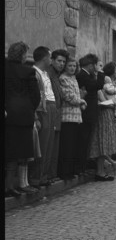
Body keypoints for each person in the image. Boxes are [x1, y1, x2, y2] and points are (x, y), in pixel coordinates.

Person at [5, 42, 41, 196]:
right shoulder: (28, 71)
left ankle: (10, 186)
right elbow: (35, 96)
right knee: (22, 152)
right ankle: (15, 185)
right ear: (22, 55)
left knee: (10, 152)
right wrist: (29, 109)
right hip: (24, 116)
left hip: (8, 114)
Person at [87, 62, 116, 181]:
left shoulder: (103, 84)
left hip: (107, 114)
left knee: (105, 144)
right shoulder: (99, 85)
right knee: (102, 143)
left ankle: (102, 170)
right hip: (103, 115)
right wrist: (114, 104)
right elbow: (103, 100)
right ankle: (100, 171)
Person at [29, 46, 58, 188]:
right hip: (42, 109)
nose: (51, 59)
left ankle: (44, 175)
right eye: (50, 57)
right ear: (44, 58)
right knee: (42, 143)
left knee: (49, 143)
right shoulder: (34, 73)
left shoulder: (46, 73)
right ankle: (36, 177)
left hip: (50, 107)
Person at [58, 57, 87, 180]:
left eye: (74, 66)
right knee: (67, 146)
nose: (72, 68)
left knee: (73, 146)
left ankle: (71, 171)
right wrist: (82, 101)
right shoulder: (63, 78)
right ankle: (64, 172)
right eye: (70, 66)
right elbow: (69, 96)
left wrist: (81, 101)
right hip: (67, 117)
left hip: (76, 116)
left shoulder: (73, 78)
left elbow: (77, 95)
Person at [76, 54, 105, 175]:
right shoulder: (83, 75)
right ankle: (80, 168)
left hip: (90, 112)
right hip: (86, 113)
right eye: (95, 65)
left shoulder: (87, 75)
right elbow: (97, 85)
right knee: (82, 141)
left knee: (86, 141)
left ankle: (84, 166)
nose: (96, 68)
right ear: (90, 65)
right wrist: (101, 72)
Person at [47, 49, 69, 181]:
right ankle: (48, 175)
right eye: (59, 61)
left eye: (63, 62)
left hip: (57, 113)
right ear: (52, 60)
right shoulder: (49, 74)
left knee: (55, 146)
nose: (61, 64)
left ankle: (51, 174)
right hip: (52, 113)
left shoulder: (57, 75)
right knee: (50, 146)